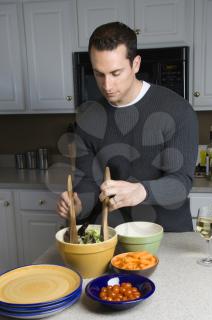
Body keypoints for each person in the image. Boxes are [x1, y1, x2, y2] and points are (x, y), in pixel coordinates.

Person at [57, 22, 198, 232]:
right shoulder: (88, 118)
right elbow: (87, 181)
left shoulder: (177, 110)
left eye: (115, 73)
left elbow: (181, 183)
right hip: (112, 234)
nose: (107, 85)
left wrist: (142, 191)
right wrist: (79, 204)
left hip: (168, 235)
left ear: (136, 64)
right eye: (99, 74)